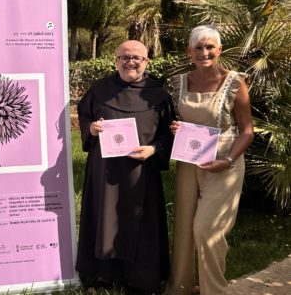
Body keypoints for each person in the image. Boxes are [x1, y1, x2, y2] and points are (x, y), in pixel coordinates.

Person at [76, 40, 174, 294]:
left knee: (141, 222)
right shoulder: (99, 90)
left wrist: (153, 149)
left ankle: (141, 278)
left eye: (137, 58)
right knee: (105, 219)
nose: (131, 61)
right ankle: (103, 277)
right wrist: (91, 129)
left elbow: (169, 133)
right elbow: (85, 116)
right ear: (116, 60)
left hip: (143, 173)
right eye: (125, 57)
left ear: (146, 62)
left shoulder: (160, 95)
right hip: (104, 172)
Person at [166, 26, 254, 295]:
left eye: (210, 47)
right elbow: (181, 121)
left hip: (223, 163)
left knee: (207, 230)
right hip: (188, 160)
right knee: (183, 228)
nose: (204, 53)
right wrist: (176, 129)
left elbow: (247, 131)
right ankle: (181, 287)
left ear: (219, 50)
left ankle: (213, 290)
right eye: (198, 47)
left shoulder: (235, 83)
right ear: (189, 51)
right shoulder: (180, 82)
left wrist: (227, 160)